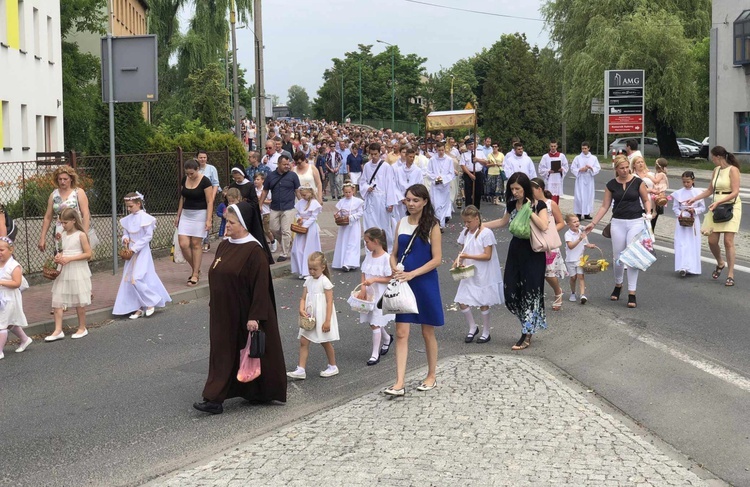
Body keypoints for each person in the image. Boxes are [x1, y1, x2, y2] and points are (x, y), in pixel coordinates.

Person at [193, 202, 287, 415]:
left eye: (231, 222)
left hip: (244, 314)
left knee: (243, 354)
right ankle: (216, 396)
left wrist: (255, 317)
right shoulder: (226, 245)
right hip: (222, 312)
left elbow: (261, 288)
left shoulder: (254, 252)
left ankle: (216, 398)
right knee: (222, 353)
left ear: (244, 225)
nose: (226, 226)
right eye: (226, 221)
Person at [384, 184, 443, 396]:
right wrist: (393, 266)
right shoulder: (400, 223)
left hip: (424, 281)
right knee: (401, 332)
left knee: (427, 331)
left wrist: (413, 273)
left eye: (415, 200)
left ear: (425, 202)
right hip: (403, 282)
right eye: (408, 199)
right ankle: (399, 382)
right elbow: (394, 253)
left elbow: (437, 259)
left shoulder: (432, 225)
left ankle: (432, 375)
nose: (411, 203)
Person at [485, 172, 549, 350]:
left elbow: (544, 226)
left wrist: (529, 210)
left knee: (530, 292)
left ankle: (527, 332)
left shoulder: (539, 205)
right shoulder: (512, 204)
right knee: (511, 290)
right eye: (512, 189)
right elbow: (502, 222)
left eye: (518, 189)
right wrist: (481, 226)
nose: (515, 192)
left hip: (533, 252)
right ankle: (526, 323)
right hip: (516, 251)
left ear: (525, 188)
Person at [585, 155, 652, 308]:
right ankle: (618, 284)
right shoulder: (611, 185)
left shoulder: (637, 182)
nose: (625, 170)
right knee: (618, 256)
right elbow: (604, 206)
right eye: (621, 168)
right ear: (616, 169)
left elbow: (646, 200)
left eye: (626, 167)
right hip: (618, 222)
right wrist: (593, 223)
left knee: (632, 256)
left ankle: (632, 292)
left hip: (635, 221)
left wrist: (648, 213)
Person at [687, 146, 743, 287]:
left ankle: (730, 274)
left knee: (728, 241)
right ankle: (720, 262)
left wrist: (719, 202)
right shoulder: (716, 171)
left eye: (713, 157)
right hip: (716, 207)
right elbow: (710, 190)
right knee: (712, 241)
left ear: (718, 157)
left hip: (731, 206)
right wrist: (695, 198)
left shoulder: (733, 170)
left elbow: (735, 192)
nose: (712, 160)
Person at [113, 192, 171, 319]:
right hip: (131, 252)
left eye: (131, 206)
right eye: (127, 207)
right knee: (129, 279)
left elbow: (148, 236)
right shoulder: (127, 220)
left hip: (142, 251)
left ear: (138, 204)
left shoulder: (146, 218)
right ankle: (138, 307)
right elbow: (125, 233)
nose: (129, 209)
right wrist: (125, 239)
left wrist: (134, 248)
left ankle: (151, 301)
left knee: (138, 277)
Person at [453, 205, 503, 344]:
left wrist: (468, 255)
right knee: (462, 300)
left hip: (483, 272)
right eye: (464, 222)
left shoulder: (486, 233)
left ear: (477, 218)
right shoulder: (465, 232)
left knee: (483, 302)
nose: (466, 225)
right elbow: (462, 251)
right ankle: (472, 327)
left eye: (469, 222)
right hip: (469, 271)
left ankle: (486, 331)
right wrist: (458, 261)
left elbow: (487, 255)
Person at [287, 252, 340, 380]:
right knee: (304, 340)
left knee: (324, 341)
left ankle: (333, 366)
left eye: (314, 269)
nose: (312, 271)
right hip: (310, 317)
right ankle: (301, 369)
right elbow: (303, 298)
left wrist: (327, 321)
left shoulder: (325, 282)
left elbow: (329, 302)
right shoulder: (308, 281)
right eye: (310, 268)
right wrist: (301, 308)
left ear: (323, 267)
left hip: (321, 317)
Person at [46, 208, 92, 342]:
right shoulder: (62, 235)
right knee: (57, 297)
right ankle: (58, 329)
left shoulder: (81, 235)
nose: (63, 225)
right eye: (61, 223)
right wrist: (59, 256)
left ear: (73, 221)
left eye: (65, 222)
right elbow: (63, 250)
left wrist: (70, 259)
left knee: (79, 299)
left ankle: (82, 327)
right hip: (64, 268)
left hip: (77, 268)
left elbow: (88, 254)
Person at [357, 228, 394, 365]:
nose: (365, 244)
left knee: (374, 323)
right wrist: (362, 287)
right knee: (373, 321)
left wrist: (375, 280)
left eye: (367, 242)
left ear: (376, 241)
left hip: (380, 296)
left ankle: (374, 353)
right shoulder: (368, 255)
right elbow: (364, 272)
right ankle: (386, 338)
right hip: (369, 294)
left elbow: (391, 278)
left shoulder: (386, 258)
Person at [175, 159, 214, 286]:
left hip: (200, 214)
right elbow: (182, 197)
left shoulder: (205, 181)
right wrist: (178, 215)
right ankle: (196, 269)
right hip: (186, 214)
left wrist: (208, 220)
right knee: (183, 243)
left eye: (192, 173)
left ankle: (195, 274)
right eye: (187, 174)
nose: (189, 176)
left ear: (198, 169)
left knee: (196, 244)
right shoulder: (184, 180)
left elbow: (210, 201)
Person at [38, 165, 93, 254]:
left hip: (76, 229)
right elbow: (48, 217)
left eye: (65, 179)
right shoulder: (54, 195)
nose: (62, 182)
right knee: (61, 255)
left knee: (76, 254)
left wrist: (84, 234)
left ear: (71, 179)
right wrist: (42, 237)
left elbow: (86, 214)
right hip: (60, 230)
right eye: (60, 179)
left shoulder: (78, 192)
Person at [531, 178, 567, 311]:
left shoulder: (551, 204)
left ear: (539, 189)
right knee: (535, 270)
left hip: (549, 244)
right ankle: (534, 296)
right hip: (535, 241)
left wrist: (551, 232)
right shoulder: (530, 204)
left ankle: (558, 291)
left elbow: (561, 222)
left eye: (532, 190)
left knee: (548, 272)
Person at [260, 155, 301, 262]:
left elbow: (297, 191)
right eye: (284, 164)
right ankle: (289, 244)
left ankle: (284, 253)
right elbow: (265, 191)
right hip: (275, 207)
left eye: (288, 164)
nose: (287, 166)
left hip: (289, 207)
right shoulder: (271, 176)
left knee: (286, 230)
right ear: (278, 164)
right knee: (273, 229)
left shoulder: (293, 176)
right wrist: (259, 204)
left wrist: (302, 205)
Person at [360, 143, 399, 251]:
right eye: (371, 154)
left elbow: (390, 185)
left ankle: (387, 248)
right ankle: (371, 249)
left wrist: (390, 202)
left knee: (384, 225)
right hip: (371, 199)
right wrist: (367, 188)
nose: (373, 156)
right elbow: (362, 181)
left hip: (382, 199)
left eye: (375, 154)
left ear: (379, 153)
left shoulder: (386, 166)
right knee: (370, 224)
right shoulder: (367, 166)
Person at [0, 237, 32, 359]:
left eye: (1, 250)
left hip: (9, 299)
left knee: (2, 324)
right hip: (1, 298)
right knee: (8, 322)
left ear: (10, 250)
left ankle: (0, 351)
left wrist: (1, 282)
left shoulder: (14, 266)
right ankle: (25, 339)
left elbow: (16, 283)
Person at [672, 171, 705, 277]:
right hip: (682, 221)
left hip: (693, 221)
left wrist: (694, 211)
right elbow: (675, 207)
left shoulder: (698, 192)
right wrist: (680, 214)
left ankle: (692, 266)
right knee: (681, 243)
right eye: (684, 182)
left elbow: (702, 207)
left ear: (693, 181)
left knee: (692, 243)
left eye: (688, 182)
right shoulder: (678, 193)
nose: (686, 184)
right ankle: (682, 266)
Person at [290, 185, 322, 279]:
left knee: (309, 248)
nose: (303, 197)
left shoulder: (314, 203)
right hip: (301, 226)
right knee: (297, 249)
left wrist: (305, 225)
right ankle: (301, 270)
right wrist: (299, 219)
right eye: (302, 195)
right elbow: (297, 213)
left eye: (304, 195)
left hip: (310, 227)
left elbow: (313, 217)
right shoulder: (301, 202)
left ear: (310, 193)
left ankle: (308, 271)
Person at [564, 214, 596, 304]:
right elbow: (570, 246)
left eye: (578, 221)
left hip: (580, 259)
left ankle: (582, 295)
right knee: (573, 278)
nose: (577, 223)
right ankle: (573, 293)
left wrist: (591, 246)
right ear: (568, 224)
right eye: (574, 222)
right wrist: (579, 239)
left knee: (581, 276)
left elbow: (586, 243)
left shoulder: (582, 233)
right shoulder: (568, 234)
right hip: (570, 260)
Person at [332, 183, 364, 272]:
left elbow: (360, 213)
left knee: (352, 243)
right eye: (346, 192)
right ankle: (343, 261)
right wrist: (338, 216)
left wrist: (351, 217)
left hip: (353, 225)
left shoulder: (357, 201)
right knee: (344, 242)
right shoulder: (342, 202)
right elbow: (339, 211)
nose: (348, 194)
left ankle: (350, 263)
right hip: (344, 226)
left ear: (353, 191)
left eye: (349, 192)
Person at [196, 150, 220, 253]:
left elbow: (215, 183)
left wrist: (212, 196)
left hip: (208, 196)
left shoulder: (211, 169)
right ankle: (198, 240)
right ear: (197, 158)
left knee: (207, 218)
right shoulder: (195, 168)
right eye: (200, 157)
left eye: (204, 157)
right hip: (197, 197)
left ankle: (206, 241)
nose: (202, 159)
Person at [427, 142, 456, 229]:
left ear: (444, 149)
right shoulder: (432, 160)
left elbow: (451, 173)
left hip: (444, 186)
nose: (441, 152)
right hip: (435, 186)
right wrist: (436, 178)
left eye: (442, 150)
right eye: (439, 150)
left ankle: (441, 225)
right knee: (436, 205)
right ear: (436, 150)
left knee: (443, 205)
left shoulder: (449, 160)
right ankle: (436, 223)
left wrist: (443, 179)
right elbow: (428, 172)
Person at [570, 142, 601, 219]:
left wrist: (591, 168)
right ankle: (579, 213)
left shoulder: (593, 158)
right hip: (580, 178)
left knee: (589, 196)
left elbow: (597, 168)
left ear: (589, 148)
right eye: (582, 148)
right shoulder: (577, 158)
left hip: (589, 178)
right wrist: (580, 169)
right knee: (579, 196)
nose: (584, 150)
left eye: (585, 148)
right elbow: (573, 168)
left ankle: (587, 213)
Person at [394, 148, 425, 223]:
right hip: (401, 200)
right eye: (410, 157)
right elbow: (395, 185)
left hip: (413, 200)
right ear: (406, 156)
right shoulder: (398, 170)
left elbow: (420, 185)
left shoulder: (418, 171)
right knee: (401, 220)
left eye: (413, 157)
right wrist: (402, 198)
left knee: (413, 220)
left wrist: (413, 198)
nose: (412, 159)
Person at [538, 139, 569, 204]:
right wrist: (548, 171)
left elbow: (566, 166)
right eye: (552, 146)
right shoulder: (545, 157)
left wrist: (562, 169)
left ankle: (555, 209)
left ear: (557, 146)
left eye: (554, 146)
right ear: (549, 146)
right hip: (550, 180)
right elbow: (540, 169)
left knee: (556, 196)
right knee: (549, 195)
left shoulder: (561, 156)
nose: (553, 148)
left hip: (557, 179)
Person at [460, 139, 487, 209]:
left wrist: (478, 160)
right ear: (467, 146)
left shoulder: (480, 153)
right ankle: (468, 209)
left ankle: (476, 208)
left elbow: (486, 162)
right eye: (469, 144)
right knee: (468, 193)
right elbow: (463, 166)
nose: (471, 146)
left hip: (478, 173)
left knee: (478, 192)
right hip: (469, 174)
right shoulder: (464, 155)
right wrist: (470, 174)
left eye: (472, 144)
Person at [253, 174, 277, 252]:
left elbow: (270, 201)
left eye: (258, 179)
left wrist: (262, 200)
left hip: (266, 212)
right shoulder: (253, 190)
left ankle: (273, 241)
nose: (256, 181)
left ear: (263, 180)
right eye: (255, 179)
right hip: (257, 212)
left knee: (266, 230)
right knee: (259, 230)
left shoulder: (266, 190)